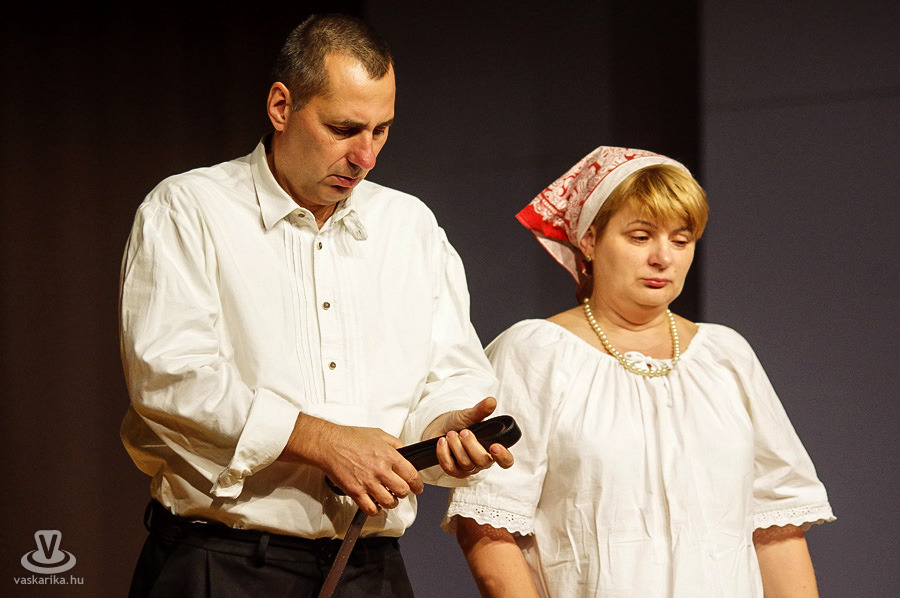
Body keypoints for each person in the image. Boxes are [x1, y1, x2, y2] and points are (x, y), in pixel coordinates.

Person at [119, 14, 513, 598]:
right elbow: (171, 379)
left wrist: (443, 429)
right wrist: (322, 440)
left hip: (369, 567)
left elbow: (450, 369)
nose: (366, 157)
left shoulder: (409, 225)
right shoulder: (189, 209)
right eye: (344, 129)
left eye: (381, 130)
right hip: (225, 563)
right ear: (281, 106)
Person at [442, 146, 835, 597]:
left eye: (681, 240)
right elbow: (488, 523)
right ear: (590, 240)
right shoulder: (537, 352)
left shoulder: (725, 355)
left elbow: (777, 526)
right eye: (640, 236)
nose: (663, 257)